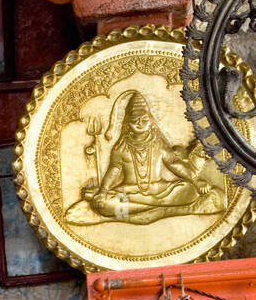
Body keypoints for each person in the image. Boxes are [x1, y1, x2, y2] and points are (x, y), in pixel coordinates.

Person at [77, 92, 222, 223]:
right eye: (135, 120)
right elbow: (114, 170)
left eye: (144, 119)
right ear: (127, 123)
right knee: (103, 204)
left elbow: (173, 163)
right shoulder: (121, 147)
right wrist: (103, 191)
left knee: (190, 190)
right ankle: (158, 208)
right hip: (130, 192)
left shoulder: (158, 143)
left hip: (159, 190)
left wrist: (195, 181)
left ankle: (135, 209)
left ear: (151, 121)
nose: (140, 123)